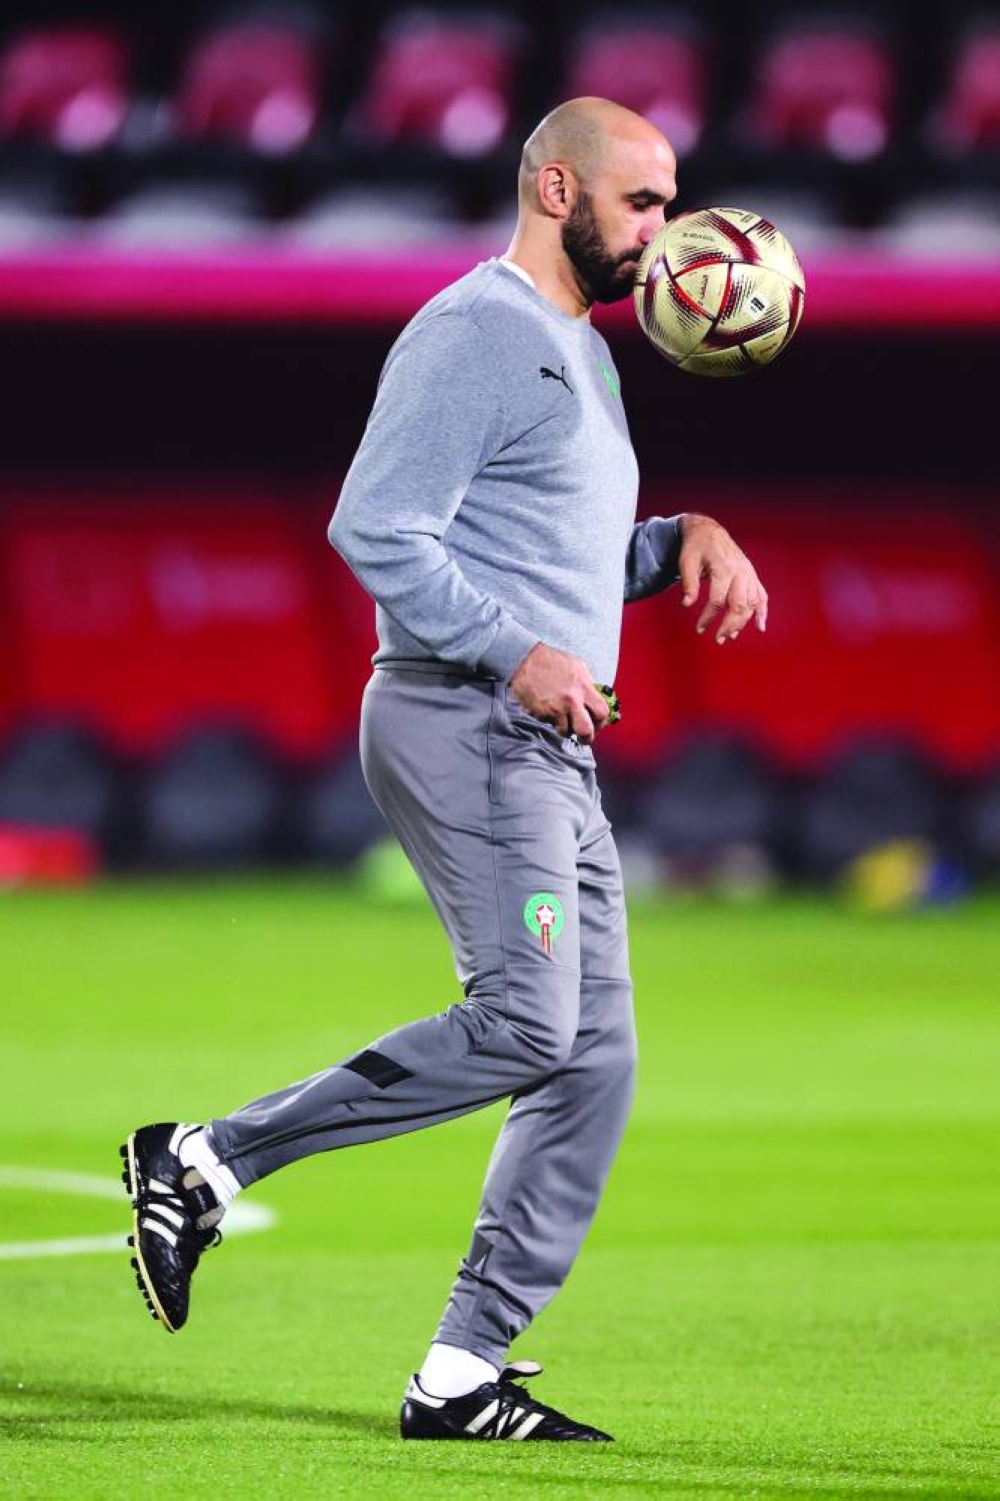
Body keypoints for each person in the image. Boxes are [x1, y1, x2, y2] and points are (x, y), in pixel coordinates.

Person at [120, 97, 767, 1443]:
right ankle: (206, 1156)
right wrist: (515, 649)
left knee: (593, 1061)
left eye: (669, 202)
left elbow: (559, 559)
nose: (664, 230)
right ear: (553, 190)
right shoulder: (477, 332)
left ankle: (464, 1370)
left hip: (543, 740)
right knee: (534, 1021)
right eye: (641, 202)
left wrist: (683, 534)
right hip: (462, 721)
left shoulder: (580, 359)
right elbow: (377, 524)